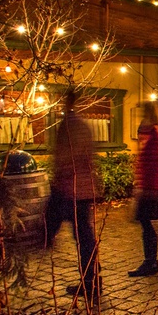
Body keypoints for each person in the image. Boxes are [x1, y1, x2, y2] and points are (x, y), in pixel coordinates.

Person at [45, 88, 100, 302]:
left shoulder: (68, 125)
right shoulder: (82, 124)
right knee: (83, 234)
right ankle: (91, 278)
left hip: (72, 187)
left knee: (81, 235)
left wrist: (60, 178)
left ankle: (90, 281)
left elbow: (65, 157)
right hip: (82, 187)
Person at [129, 99, 158, 277]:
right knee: (145, 223)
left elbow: (150, 161)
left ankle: (150, 262)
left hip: (151, 185)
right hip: (155, 183)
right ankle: (150, 261)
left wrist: (142, 184)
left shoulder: (152, 131)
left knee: (145, 223)